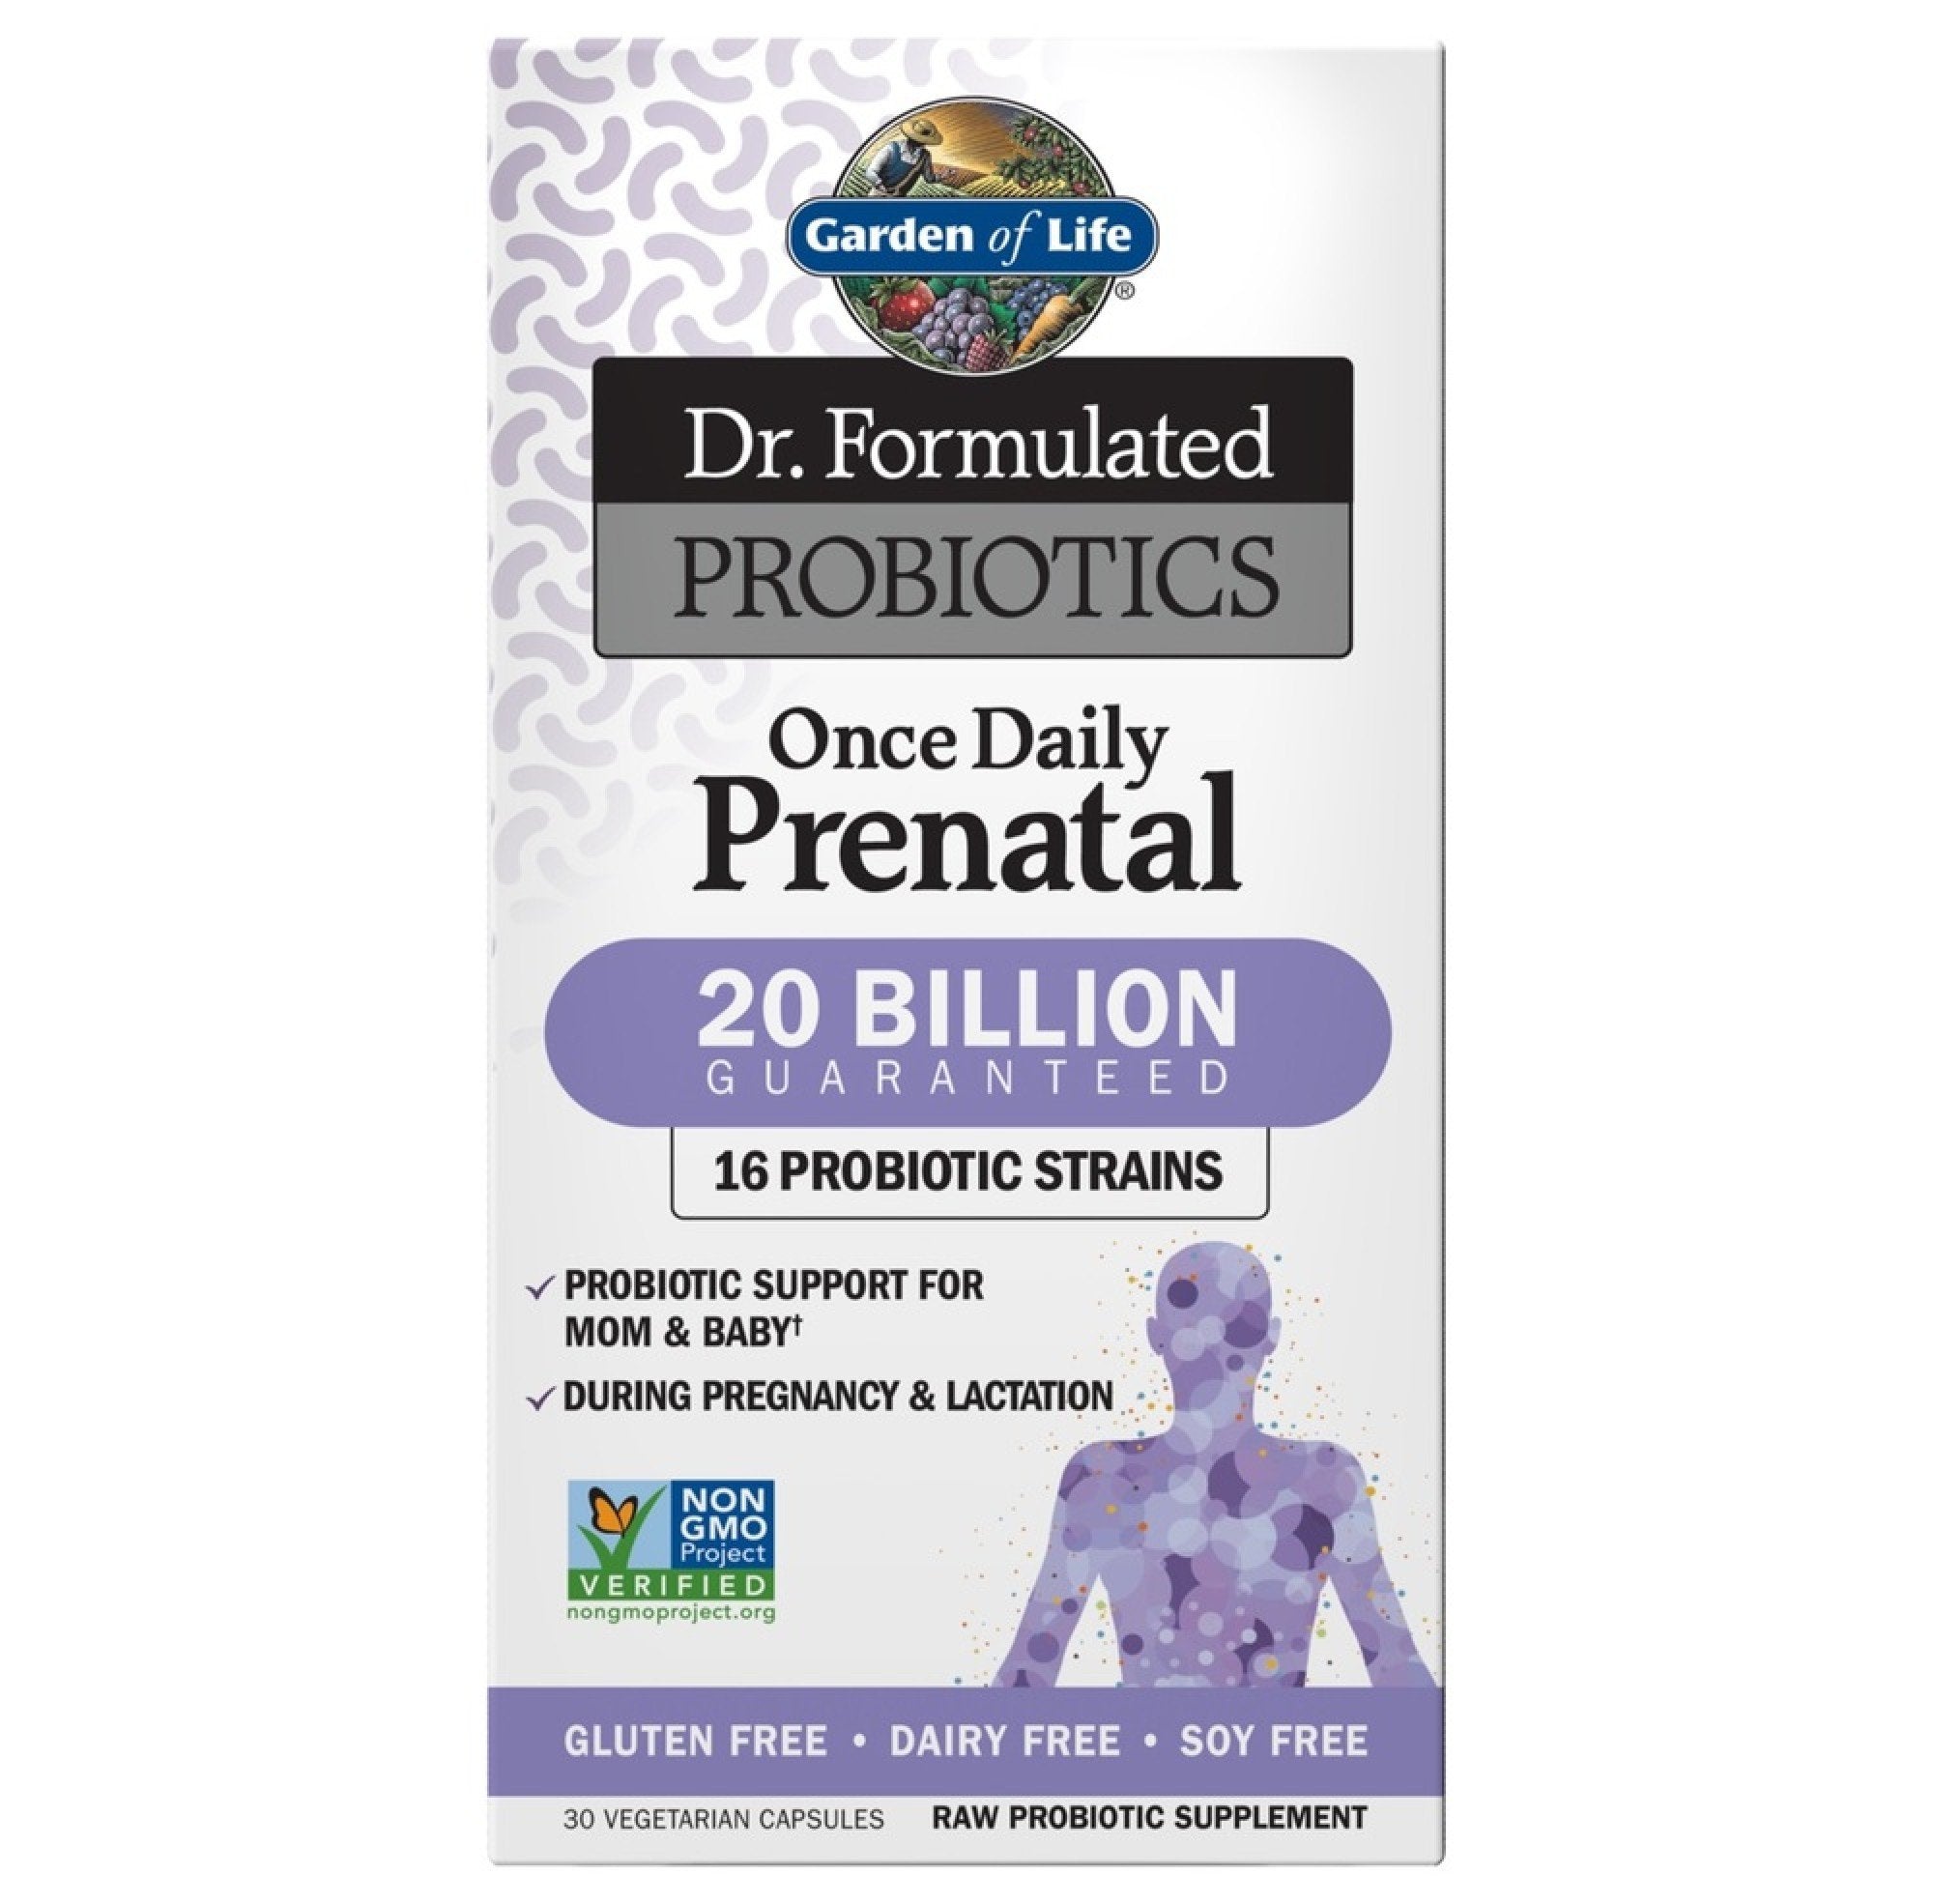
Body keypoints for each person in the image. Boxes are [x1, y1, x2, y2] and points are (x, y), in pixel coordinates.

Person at [995, 1241, 1435, 1688]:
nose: (1212, 1341)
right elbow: (1028, 1674)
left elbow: (1397, 1670)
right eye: (1193, 1325)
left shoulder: (1324, 1480)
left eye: (1236, 1325)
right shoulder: (1103, 1479)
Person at [865, 117, 942, 196]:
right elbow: (870, 171)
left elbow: (929, 178)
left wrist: (942, 177)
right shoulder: (891, 148)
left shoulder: (925, 156)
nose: (922, 144)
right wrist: (879, 185)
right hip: (878, 194)